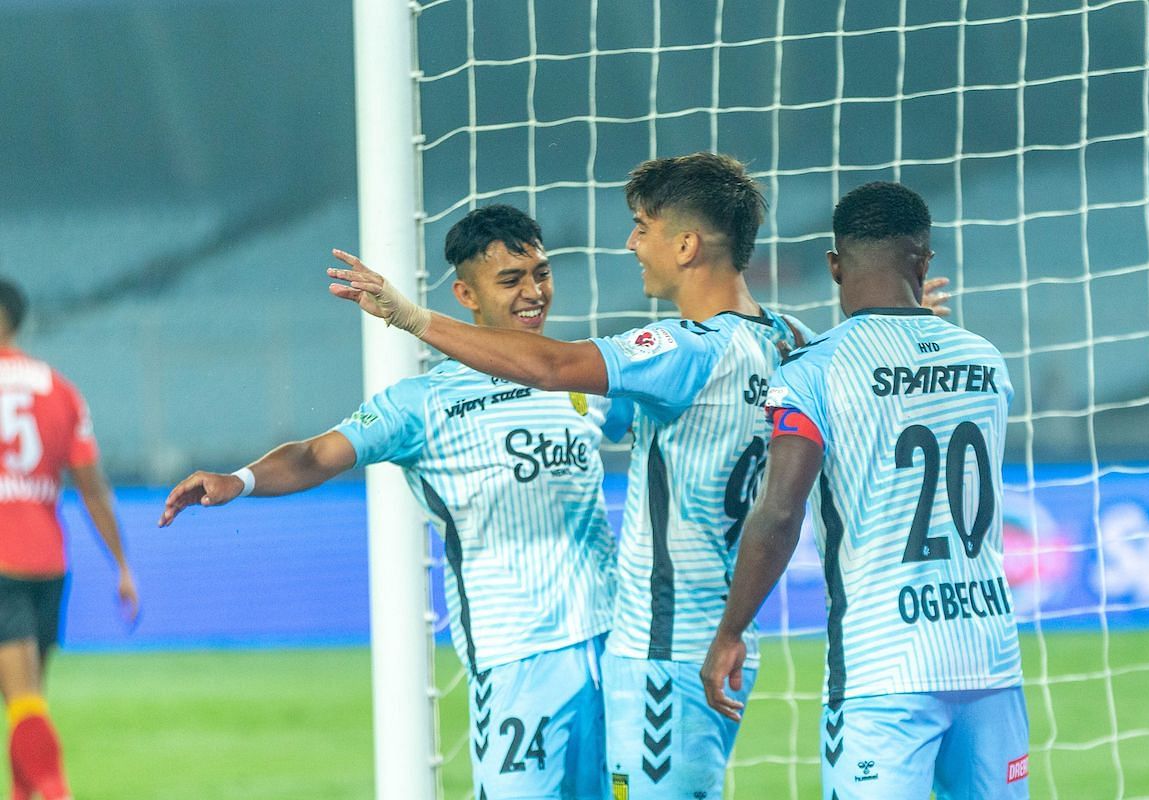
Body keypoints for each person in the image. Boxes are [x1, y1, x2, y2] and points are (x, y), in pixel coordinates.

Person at [327, 154, 951, 798]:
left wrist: (412, 317)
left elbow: (549, 368)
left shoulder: (683, 349)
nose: (631, 243)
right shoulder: (795, 341)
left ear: (686, 245)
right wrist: (902, 325)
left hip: (665, 647)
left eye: (642, 226)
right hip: (722, 631)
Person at [160, 205, 629, 800]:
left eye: (542, 273)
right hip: (516, 657)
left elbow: (664, 418)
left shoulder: (581, 376)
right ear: (465, 293)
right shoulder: (423, 403)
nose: (534, 292)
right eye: (511, 280)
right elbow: (315, 454)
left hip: (615, 646)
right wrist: (240, 480)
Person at [700, 181, 1028, 799]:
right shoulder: (986, 360)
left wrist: (730, 632)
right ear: (924, 260)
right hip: (989, 658)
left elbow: (778, 515)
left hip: (885, 666)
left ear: (833, 265)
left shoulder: (814, 371)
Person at [0, 278, 139, 800]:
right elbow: (93, 489)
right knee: (28, 702)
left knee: (23, 703)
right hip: (46, 561)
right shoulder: (58, 388)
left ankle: (57, 794)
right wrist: (122, 563)